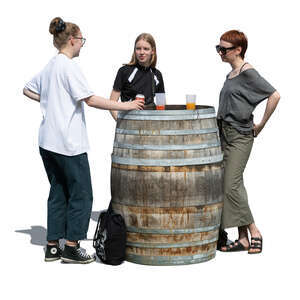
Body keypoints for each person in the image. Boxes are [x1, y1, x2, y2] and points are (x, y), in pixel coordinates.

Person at [23, 17, 144, 264]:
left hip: (47, 141)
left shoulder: (50, 66)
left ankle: (52, 246)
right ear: (72, 40)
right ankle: (71, 246)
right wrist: (126, 105)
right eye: (81, 40)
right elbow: (90, 99)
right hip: (68, 143)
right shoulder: (68, 67)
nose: (82, 45)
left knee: (58, 191)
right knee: (82, 193)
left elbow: (26, 89)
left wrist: (51, 101)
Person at [215, 30, 280, 254]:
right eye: (218, 48)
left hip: (240, 136)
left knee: (230, 185)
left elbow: (274, 95)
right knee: (234, 185)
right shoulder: (231, 74)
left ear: (238, 50)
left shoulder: (247, 72)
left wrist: (261, 124)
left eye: (224, 49)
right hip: (224, 134)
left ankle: (255, 232)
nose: (220, 52)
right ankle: (242, 238)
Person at [109, 33, 165, 121]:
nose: (142, 52)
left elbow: (162, 106)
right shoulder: (124, 71)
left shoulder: (157, 75)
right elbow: (111, 104)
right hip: (129, 124)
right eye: (138, 49)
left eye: (146, 49)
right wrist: (121, 123)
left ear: (152, 51)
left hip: (151, 124)